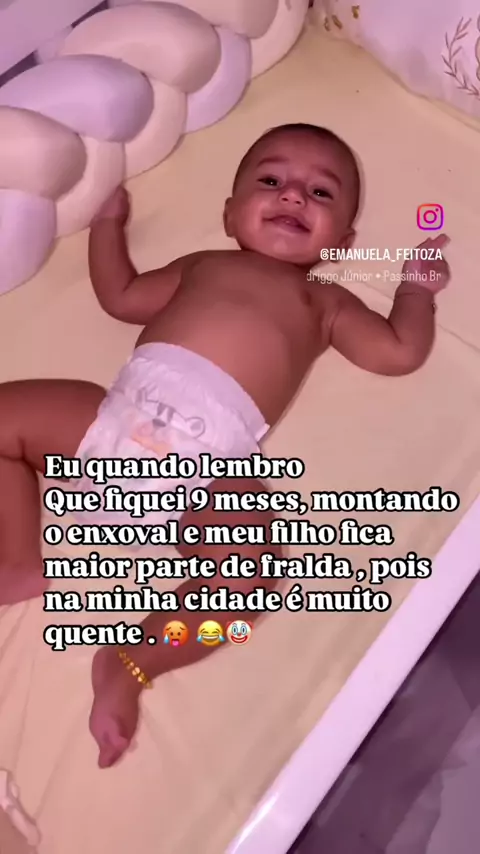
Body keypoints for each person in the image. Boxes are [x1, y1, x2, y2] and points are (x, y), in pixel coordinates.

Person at [0, 123, 450, 767]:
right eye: (271, 180)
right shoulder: (202, 266)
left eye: (321, 193)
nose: (293, 195)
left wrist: (414, 291)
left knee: (256, 575)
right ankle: (17, 560)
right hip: (113, 419)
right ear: (230, 214)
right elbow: (122, 294)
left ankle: (132, 664)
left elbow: (398, 352)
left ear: (344, 242)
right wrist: (106, 225)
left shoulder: (326, 301)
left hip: (209, 471)